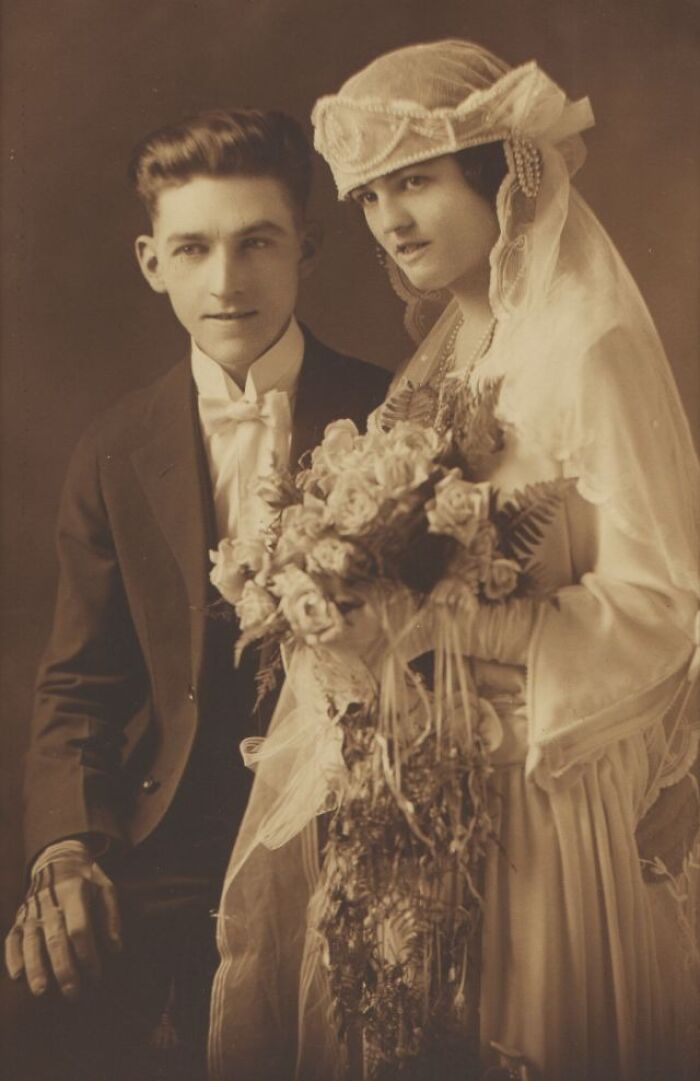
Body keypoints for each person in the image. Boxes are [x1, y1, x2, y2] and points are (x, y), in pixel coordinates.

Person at [209, 42, 700, 1081]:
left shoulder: (588, 346)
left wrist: (453, 626)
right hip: (424, 786)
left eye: (418, 180)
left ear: (498, 172)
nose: (390, 216)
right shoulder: (447, 362)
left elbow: (664, 599)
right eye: (375, 191)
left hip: (541, 789)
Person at [2, 107, 390, 1081]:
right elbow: (79, 682)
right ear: (150, 261)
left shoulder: (394, 413)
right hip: (176, 825)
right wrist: (65, 852)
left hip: (359, 814)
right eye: (194, 247)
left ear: (306, 245)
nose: (226, 281)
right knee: (46, 990)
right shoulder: (114, 449)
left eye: (256, 242)